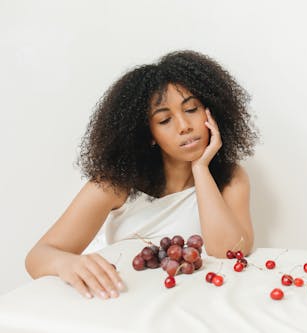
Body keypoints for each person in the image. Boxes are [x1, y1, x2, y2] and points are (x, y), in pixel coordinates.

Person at [25, 50, 258, 300]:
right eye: (165, 119)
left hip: (196, 302)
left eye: (191, 109)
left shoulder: (231, 179)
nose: (184, 126)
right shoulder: (115, 185)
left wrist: (200, 169)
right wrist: (66, 264)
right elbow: (38, 257)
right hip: (122, 300)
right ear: (148, 135)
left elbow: (230, 252)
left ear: (211, 111)